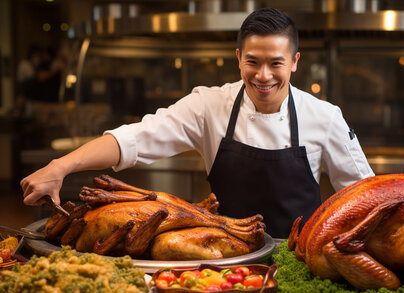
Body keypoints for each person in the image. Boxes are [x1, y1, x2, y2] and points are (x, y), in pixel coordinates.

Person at [20, 8, 374, 238]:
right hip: (221, 261)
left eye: (276, 63)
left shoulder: (325, 118)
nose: (263, 75)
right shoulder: (208, 105)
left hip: (298, 263)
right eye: (253, 61)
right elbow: (136, 139)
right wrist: (60, 165)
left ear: (294, 62)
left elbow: (366, 197)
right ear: (238, 59)